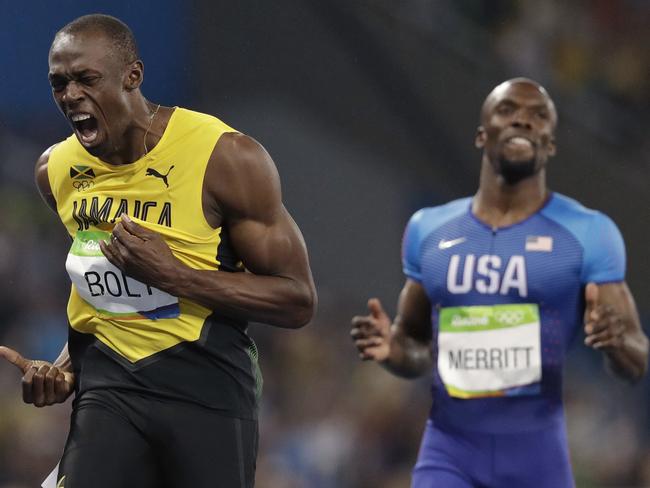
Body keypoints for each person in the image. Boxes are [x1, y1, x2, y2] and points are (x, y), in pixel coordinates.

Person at [0, 13, 316, 488]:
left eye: (86, 79)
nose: (70, 96)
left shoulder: (225, 157)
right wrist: (65, 368)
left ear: (133, 76)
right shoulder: (57, 170)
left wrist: (177, 276)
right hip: (109, 390)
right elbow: (105, 290)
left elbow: (297, 299)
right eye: (58, 83)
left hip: (207, 391)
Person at [351, 78, 648, 487]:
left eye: (539, 115)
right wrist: (392, 350)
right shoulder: (429, 229)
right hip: (449, 455)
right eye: (508, 111)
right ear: (481, 134)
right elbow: (415, 347)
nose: (523, 121)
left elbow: (637, 362)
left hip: (537, 462)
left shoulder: (588, 233)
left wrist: (618, 344)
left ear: (551, 143)